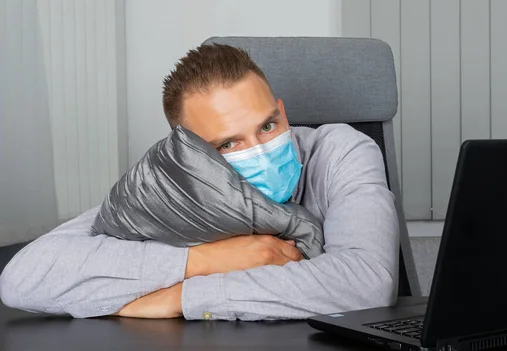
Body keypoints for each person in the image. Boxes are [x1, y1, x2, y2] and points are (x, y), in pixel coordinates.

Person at [0, 44, 400, 320]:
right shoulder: (177, 187)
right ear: (190, 155)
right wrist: (206, 260)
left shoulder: (341, 150)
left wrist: (180, 298)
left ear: (282, 110)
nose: (260, 150)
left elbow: (367, 283)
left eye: (267, 125)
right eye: (228, 143)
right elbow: (25, 278)